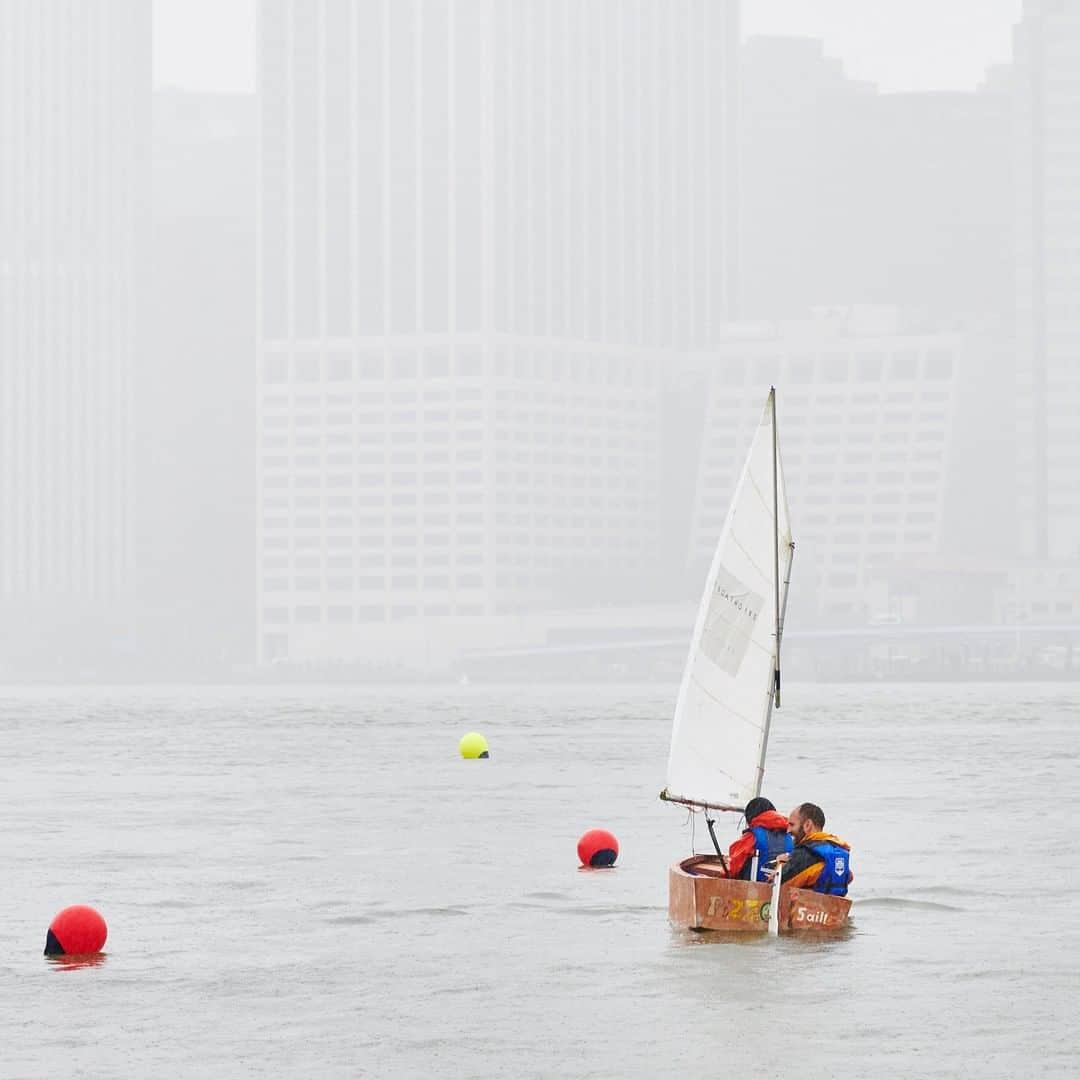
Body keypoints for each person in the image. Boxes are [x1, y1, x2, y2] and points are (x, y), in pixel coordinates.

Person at [769, 802, 853, 895]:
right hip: (831, 907)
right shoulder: (836, 849)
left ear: (807, 825)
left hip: (806, 908)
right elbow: (849, 877)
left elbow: (775, 885)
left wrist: (780, 863)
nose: (788, 830)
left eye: (792, 825)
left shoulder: (805, 853)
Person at [723, 796, 794, 881]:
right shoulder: (790, 836)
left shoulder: (751, 836)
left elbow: (732, 868)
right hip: (779, 889)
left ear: (750, 816)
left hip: (753, 890)